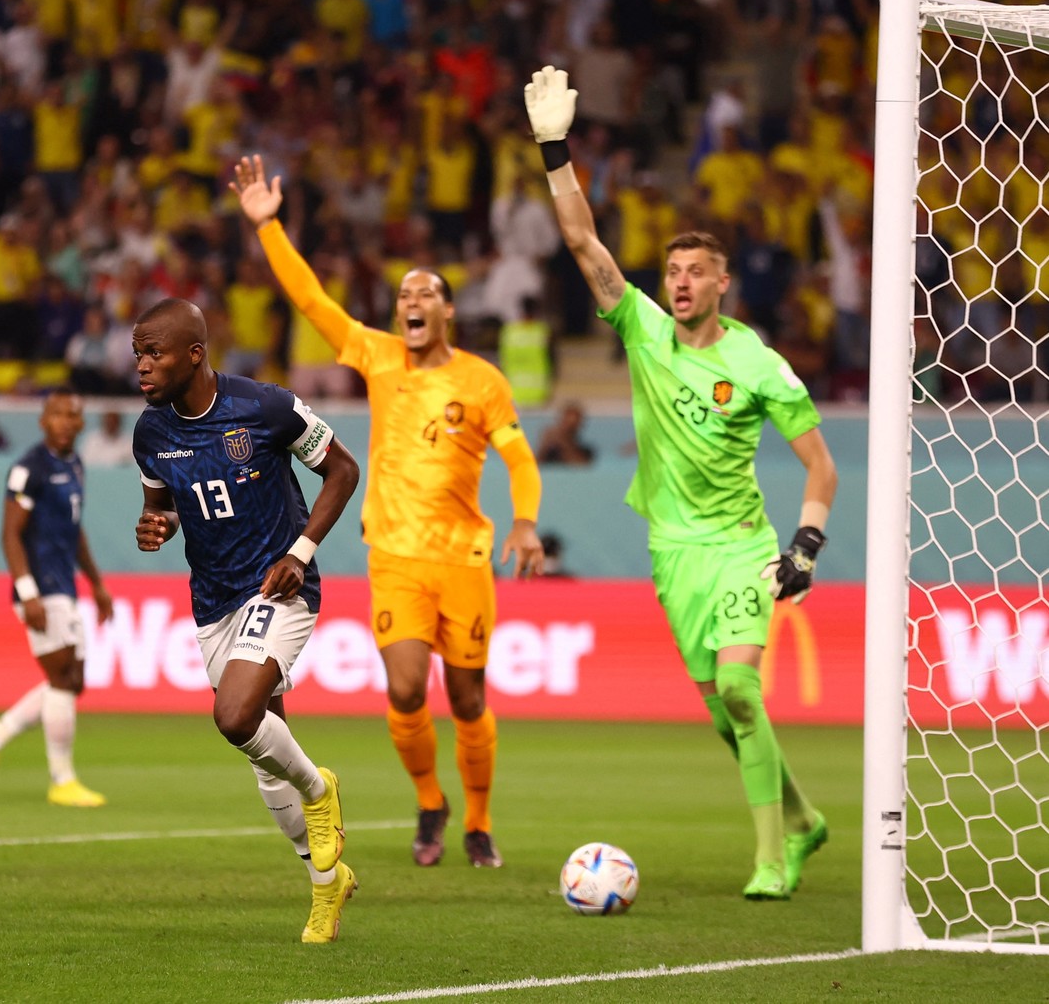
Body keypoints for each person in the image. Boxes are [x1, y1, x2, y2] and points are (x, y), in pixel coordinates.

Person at [525, 66, 838, 899]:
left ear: (721, 280)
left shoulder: (758, 363)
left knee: (740, 689)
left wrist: (804, 548)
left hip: (741, 547)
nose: (680, 282)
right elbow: (583, 241)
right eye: (672, 272)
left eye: (695, 271)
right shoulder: (642, 332)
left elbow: (820, 465)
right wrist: (554, 150)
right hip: (674, 553)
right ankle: (804, 819)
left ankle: (773, 858)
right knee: (724, 716)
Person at [233, 155, 546, 870]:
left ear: (446, 311)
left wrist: (523, 521)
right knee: (405, 688)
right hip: (396, 556)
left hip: (464, 556)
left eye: (425, 291)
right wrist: (268, 227)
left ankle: (479, 821)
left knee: (466, 698)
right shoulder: (376, 356)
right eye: (403, 291)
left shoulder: (481, 380)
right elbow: (312, 302)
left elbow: (519, 459)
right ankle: (431, 806)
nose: (411, 298)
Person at [131, 298, 361, 944]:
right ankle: (327, 886)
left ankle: (320, 791)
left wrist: (300, 551)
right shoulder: (150, 433)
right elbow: (162, 506)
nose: (142, 367)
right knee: (264, 759)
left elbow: (343, 470)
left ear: (195, 355)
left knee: (233, 716)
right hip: (213, 603)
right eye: (137, 355)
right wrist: (156, 525)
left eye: (154, 353)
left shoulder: (264, 408)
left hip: (278, 585)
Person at [0, 388, 116, 808]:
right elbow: (10, 533)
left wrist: (97, 584)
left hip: (64, 584)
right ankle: (61, 779)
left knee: (70, 680)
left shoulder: (76, 465)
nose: (66, 421)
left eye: (74, 414)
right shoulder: (28, 469)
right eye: (58, 414)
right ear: (43, 420)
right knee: (63, 678)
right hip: (39, 589)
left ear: (81, 424)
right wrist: (28, 593)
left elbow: (75, 530)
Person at [536, 402, 596, 466]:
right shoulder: (550, 452)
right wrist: (544, 444)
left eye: (573, 425)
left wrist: (562, 441)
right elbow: (535, 465)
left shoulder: (586, 452)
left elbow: (580, 465)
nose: (568, 429)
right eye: (566, 423)